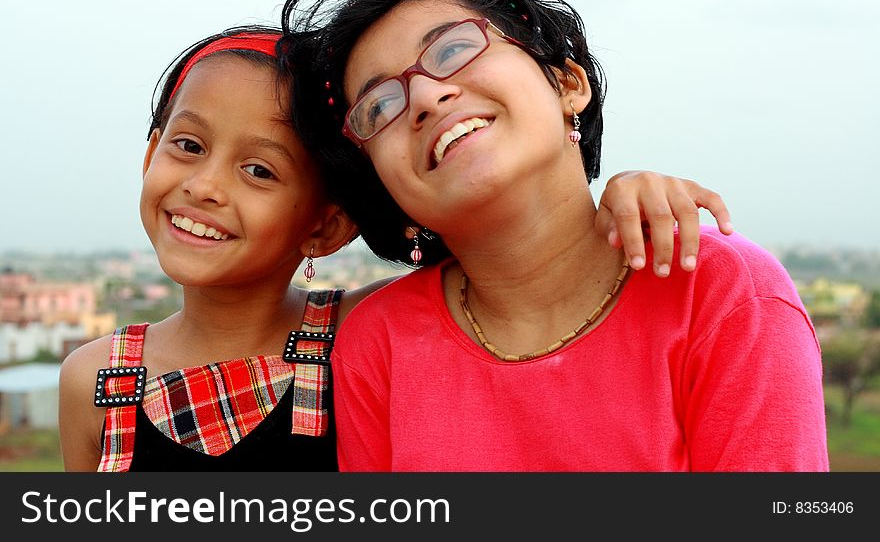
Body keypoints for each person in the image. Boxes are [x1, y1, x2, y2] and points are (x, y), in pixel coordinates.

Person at [57, 24, 731, 471]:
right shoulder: (93, 380)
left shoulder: (366, 332)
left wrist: (627, 191)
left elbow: (525, 259)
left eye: (260, 170)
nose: (204, 186)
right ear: (151, 156)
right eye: (188, 146)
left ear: (326, 226)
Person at [279, 0, 829, 471]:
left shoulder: (711, 288)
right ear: (384, 183)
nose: (424, 96)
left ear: (568, 84)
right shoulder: (381, 341)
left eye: (451, 51)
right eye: (380, 106)